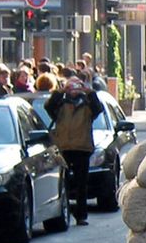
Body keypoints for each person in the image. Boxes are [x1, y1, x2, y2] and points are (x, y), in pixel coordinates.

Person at [44, 76, 103, 226]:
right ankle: (63, 212)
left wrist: (89, 92)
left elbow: (98, 108)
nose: (74, 90)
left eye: (77, 86)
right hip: (64, 148)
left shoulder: (87, 105)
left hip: (82, 148)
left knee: (81, 184)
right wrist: (60, 91)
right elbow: (48, 106)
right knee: (63, 183)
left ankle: (81, 215)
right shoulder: (60, 104)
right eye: (72, 86)